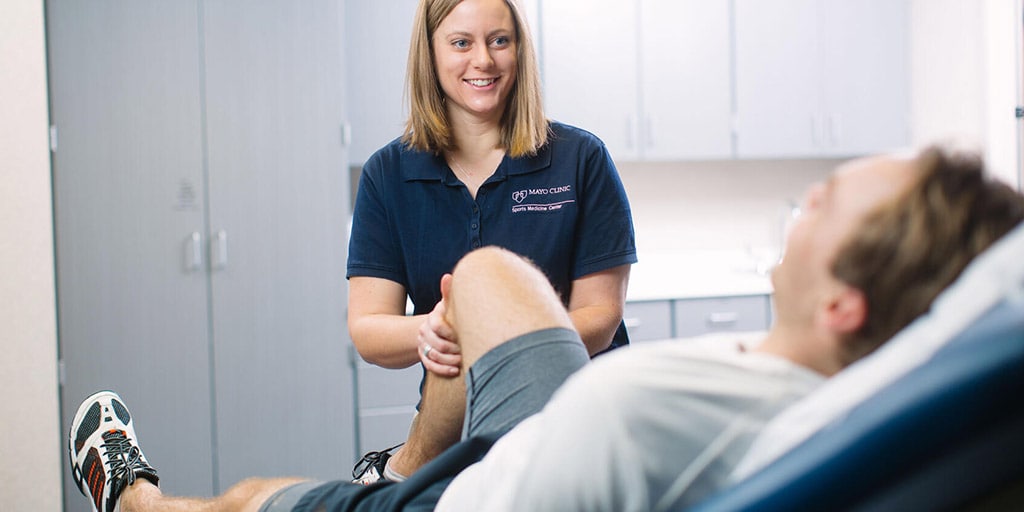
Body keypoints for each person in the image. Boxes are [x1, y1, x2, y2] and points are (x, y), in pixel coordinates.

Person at [68, 145, 1024, 511]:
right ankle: (402, 465)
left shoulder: (670, 419)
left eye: (821, 202)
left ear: (845, 305)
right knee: (485, 277)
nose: (803, 200)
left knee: (254, 497)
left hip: (487, 496)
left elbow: (602, 322)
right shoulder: (820, 382)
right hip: (541, 437)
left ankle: (139, 503)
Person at [345, 0, 636, 483]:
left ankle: (395, 475)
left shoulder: (579, 159)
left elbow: (601, 318)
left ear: (519, 51)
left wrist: (485, 331)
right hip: (452, 433)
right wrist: (433, 329)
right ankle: (396, 474)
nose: (483, 60)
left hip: (575, 424)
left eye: (499, 40)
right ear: (431, 54)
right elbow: (369, 329)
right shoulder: (388, 174)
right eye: (461, 42)